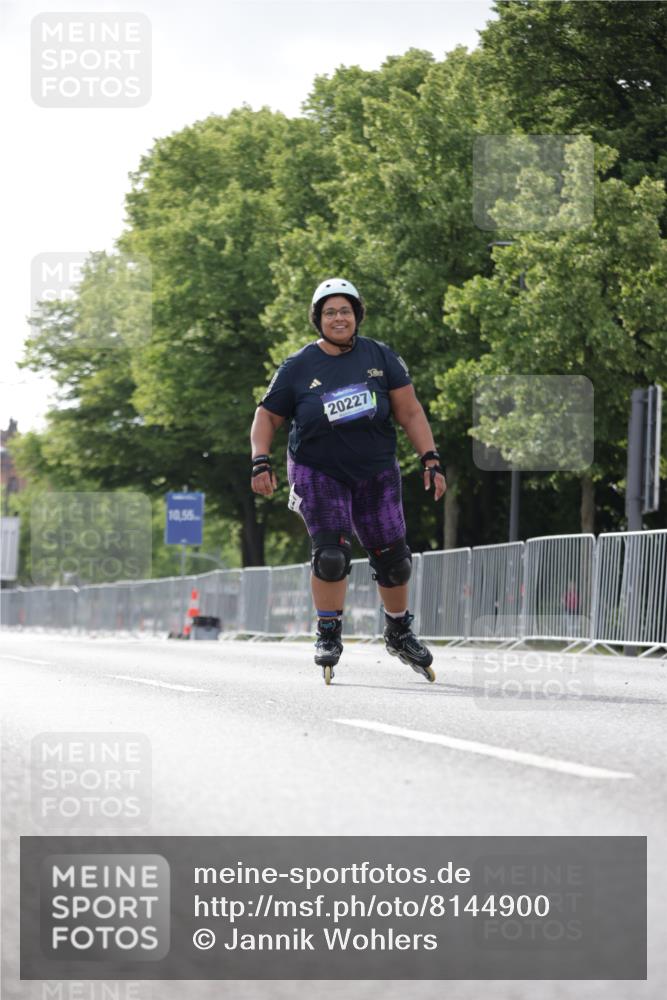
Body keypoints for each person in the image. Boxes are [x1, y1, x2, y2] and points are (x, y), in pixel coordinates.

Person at [250, 277, 446, 684]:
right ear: (318, 320)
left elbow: (410, 411)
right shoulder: (298, 366)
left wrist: (430, 459)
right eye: (329, 312)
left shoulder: (381, 357)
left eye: (345, 311)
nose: (338, 318)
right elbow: (266, 416)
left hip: (376, 469)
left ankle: (399, 631)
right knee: (331, 556)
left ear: (356, 315)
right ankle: (328, 632)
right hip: (318, 469)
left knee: (395, 561)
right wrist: (260, 461)